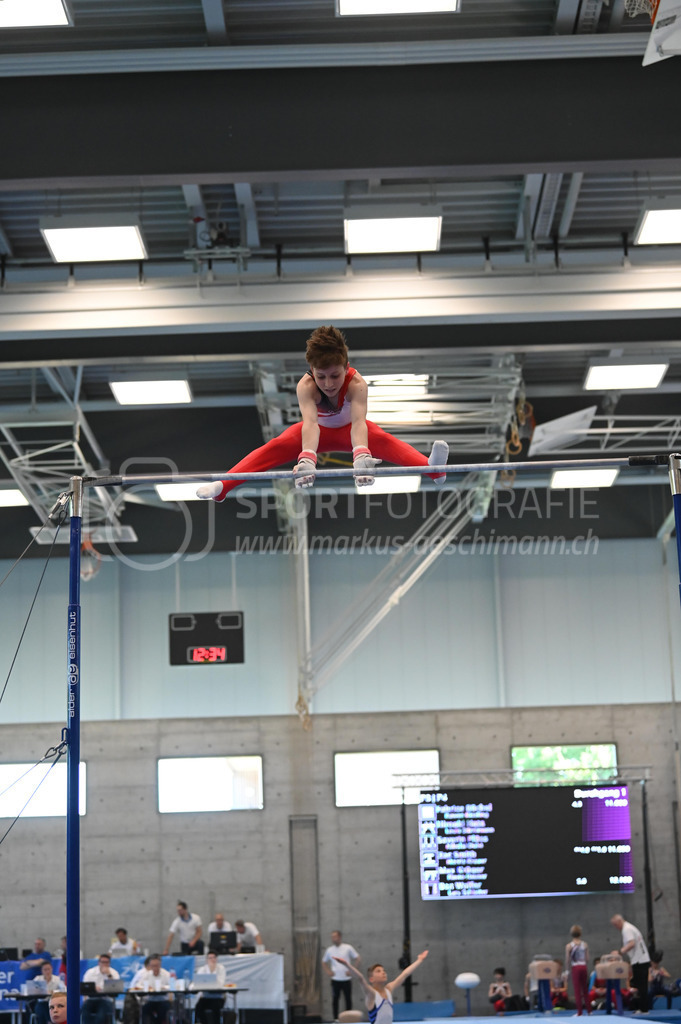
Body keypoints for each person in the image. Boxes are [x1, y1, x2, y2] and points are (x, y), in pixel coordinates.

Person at [196, 326, 449, 501]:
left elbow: (359, 422)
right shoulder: (305, 386)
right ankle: (222, 487)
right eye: (321, 376)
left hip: (352, 430)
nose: (328, 384)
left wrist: (361, 454)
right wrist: (307, 459)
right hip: (315, 432)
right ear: (311, 370)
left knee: (384, 439)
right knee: (273, 447)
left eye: (335, 375)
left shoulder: (356, 384)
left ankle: (434, 470)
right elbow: (310, 424)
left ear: (346, 367)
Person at [334, 950, 428, 1024]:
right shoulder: (372, 995)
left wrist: (419, 960)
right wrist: (346, 964)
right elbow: (360, 978)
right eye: (378, 971)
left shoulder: (389, 989)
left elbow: (404, 974)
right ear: (371, 979)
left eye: (383, 970)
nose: (383, 972)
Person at [611, 914, 651, 1013]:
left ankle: (643, 1009)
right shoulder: (629, 927)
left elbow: (631, 943)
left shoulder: (626, 929)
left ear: (619, 922)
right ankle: (643, 1008)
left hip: (639, 960)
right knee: (640, 985)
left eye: (616, 925)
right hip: (641, 959)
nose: (616, 928)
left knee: (640, 985)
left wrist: (619, 952)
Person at [322, 930, 361, 1020]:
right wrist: (328, 971)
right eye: (332, 937)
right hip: (335, 980)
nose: (333, 939)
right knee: (335, 999)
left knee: (348, 999)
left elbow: (358, 958)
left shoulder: (347, 948)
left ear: (339, 937)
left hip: (346, 979)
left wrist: (352, 970)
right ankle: (336, 1019)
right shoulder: (329, 950)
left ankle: (349, 1019)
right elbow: (323, 962)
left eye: (334, 937)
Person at [129, 955, 172, 1024]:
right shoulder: (146, 975)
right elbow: (138, 985)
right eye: (152, 966)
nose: (154, 968)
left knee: (163, 1010)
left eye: (156, 965)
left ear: (160, 965)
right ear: (150, 966)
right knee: (144, 1010)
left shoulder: (166, 974)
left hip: (163, 1000)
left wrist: (163, 987)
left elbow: (172, 986)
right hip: (150, 1000)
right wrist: (146, 987)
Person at [81, 954, 121, 1024]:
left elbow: (116, 988)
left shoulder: (114, 973)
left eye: (106, 962)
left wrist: (109, 975)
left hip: (106, 999)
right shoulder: (90, 972)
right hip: (91, 999)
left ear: (109, 963)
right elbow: (84, 987)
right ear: (99, 962)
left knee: (101, 1016)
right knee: (85, 1011)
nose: (104, 964)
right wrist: (93, 988)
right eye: (103, 962)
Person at [195, 950, 227, 1024]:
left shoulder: (221, 968)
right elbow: (197, 982)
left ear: (217, 959)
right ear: (207, 960)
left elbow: (221, 983)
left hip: (218, 997)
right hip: (206, 997)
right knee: (198, 1007)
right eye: (210, 958)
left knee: (216, 1008)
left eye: (214, 957)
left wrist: (212, 972)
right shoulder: (202, 969)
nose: (212, 960)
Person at [566, 925, 590, 1015]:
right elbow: (587, 959)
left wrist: (567, 971)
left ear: (571, 934)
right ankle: (589, 1011)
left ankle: (579, 1012)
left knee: (577, 990)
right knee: (585, 989)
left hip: (575, 967)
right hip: (583, 967)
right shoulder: (585, 944)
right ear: (580, 934)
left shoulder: (569, 946)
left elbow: (568, 960)